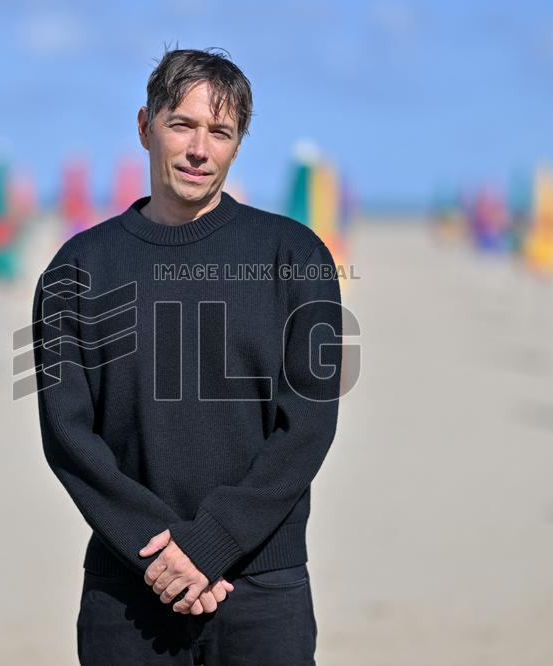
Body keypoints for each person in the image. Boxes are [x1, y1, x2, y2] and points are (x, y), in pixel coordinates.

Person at [32, 47, 343, 665]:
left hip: (263, 588)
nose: (201, 149)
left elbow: (308, 424)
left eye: (220, 132)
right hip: (128, 585)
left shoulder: (295, 255)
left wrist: (212, 542)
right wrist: (158, 547)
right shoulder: (77, 269)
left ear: (237, 144)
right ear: (146, 125)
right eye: (183, 125)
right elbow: (67, 434)